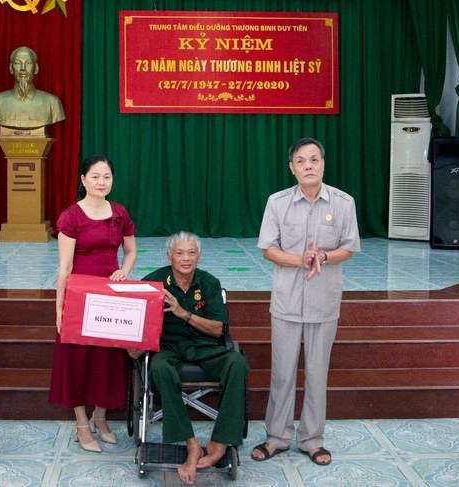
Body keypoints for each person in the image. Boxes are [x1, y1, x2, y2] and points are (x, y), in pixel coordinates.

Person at [251, 137, 360, 466]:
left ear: (324, 164)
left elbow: (349, 247)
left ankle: (312, 440)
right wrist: (300, 260)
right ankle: (277, 437)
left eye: (314, 159)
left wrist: (323, 256)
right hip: (286, 301)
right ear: (292, 167)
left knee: (317, 374)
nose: (308, 165)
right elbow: (268, 248)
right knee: (282, 373)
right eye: (301, 161)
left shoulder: (343, 202)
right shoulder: (277, 202)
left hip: (324, 302)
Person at [131, 231, 248, 485]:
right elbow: (136, 323)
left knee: (236, 362)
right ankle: (191, 444)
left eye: (191, 253)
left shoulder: (209, 283)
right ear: (169, 256)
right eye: (180, 253)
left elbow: (218, 329)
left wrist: (183, 314)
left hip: (202, 343)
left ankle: (219, 442)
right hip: (166, 346)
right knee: (160, 370)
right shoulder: (153, 282)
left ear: (199, 256)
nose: (186, 258)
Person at [49, 154, 137, 453]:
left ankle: (101, 418)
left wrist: (124, 271)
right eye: (95, 176)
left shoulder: (120, 213)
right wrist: (59, 308)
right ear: (83, 180)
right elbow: (64, 267)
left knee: (107, 360)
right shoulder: (71, 216)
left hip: (110, 296)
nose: (101, 182)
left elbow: (130, 252)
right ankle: (82, 424)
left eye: (107, 177)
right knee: (78, 360)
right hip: (78, 297)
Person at [0, 46, 66, 130]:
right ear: (11, 68)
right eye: (17, 63)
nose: (23, 68)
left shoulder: (53, 103)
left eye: (28, 63)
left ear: (36, 68)